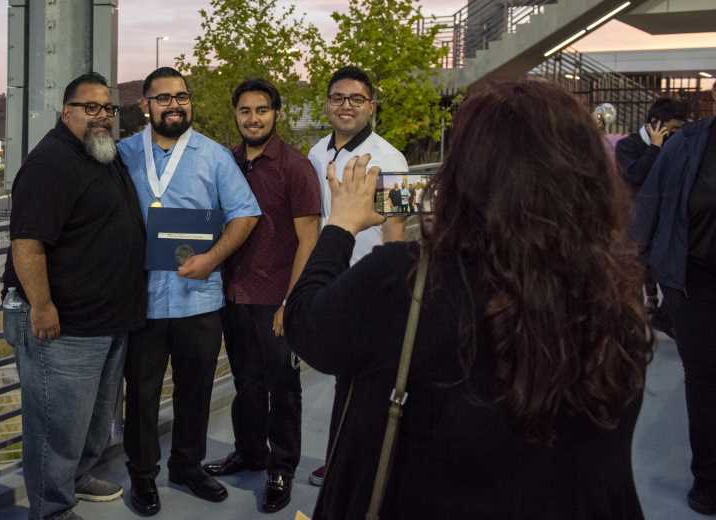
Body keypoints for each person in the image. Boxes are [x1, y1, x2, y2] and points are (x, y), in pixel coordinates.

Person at [285, 80, 653, 519]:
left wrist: (340, 224)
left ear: (465, 172)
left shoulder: (407, 278)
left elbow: (307, 326)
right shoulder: (615, 293)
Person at [1, 72, 146, 520]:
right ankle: (51, 508)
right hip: (63, 323)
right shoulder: (50, 164)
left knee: (93, 418)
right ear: (67, 112)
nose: (102, 116)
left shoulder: (101, 155)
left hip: (106, 318)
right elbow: (27, 243)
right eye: (91, 108)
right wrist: (42, 307)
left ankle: (78, 476)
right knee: (55, 425)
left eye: (109, 109)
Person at [117, 67, 260, 516]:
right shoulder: (122, 155)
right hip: (139, 298)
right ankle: (143, 477)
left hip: (198, 298)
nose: (174, 104)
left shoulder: (215, 157)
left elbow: (245, 214)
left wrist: (212, 259)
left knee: (194, 389)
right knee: (140, 393)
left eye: (182, 96)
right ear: (146, 106)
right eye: (163, 98)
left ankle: (186, 466)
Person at [202, 78, 321, 513]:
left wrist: (292, 302)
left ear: (276, 113)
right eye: (245, 111)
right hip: (234, 293)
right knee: (246, 382)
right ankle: (250, 452)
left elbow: (310, 238)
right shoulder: (226, 161)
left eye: (262, 110)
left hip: (276, 296)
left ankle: (281, 467)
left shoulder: (295, 166)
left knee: (283, 386)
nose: (253, 118)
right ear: (236, 114)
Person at [306, 65, 409, 487]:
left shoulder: (393, 158)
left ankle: (349, 467)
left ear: (371, 106)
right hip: (329, 280)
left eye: (356, 99)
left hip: (369, 284)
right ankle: (340, 461)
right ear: (327, 103)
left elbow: (397, 227)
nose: (346, 106)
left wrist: (392, 288)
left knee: (362, 382)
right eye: (338, 98)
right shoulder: (315, 153)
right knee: (341, 377)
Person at [634, 111, 716, 515]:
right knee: (703, 381)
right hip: (694, 283)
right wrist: (637, 265)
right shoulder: (685, 146)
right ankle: (708, 481)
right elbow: (649, 205)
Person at [617, 98, 686, 338]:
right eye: (672, 129)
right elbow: (635, 176)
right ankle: (633, 324)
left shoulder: (675, 146)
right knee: (635, 272)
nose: (676, 134)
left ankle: (662, 315)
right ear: (655, 123)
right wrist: (655, 148)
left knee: (667, 270)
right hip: (636, 221)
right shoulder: (627, 145)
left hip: (664, 220)